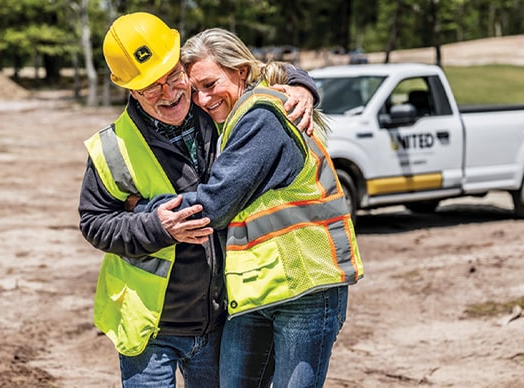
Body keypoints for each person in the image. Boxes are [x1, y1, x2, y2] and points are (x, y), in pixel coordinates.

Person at [78, 12, 320, 387]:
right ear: (129, 90)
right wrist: (155, 224)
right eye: (150, 88)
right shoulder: (112, 148)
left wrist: (301, 85)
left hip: (217, 319)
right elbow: (94, 222)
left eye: (173, 77)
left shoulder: (214, 110)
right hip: (150, 326)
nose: (170, 93)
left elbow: (252, 72)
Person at [135, 28, 364, 387]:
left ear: (240, 71)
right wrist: (300, 80)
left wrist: (147, 211)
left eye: (210, 84)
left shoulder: (263, 117)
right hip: (258, 293)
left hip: (305, 287)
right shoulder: (234, 120)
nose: (203, 99)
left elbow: (215, 204)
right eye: (195, 90)